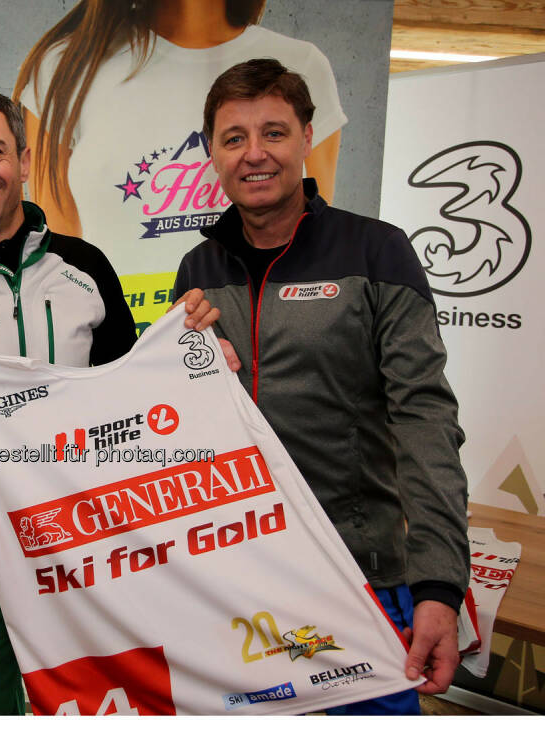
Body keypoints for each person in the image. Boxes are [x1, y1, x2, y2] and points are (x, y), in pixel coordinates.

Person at [0, 85, 227, 715]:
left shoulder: (86, 266)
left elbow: (130, 399)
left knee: (94, 712)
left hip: (87, 543)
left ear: (22, 157)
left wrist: (191, 360)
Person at [174, 58, 469, 714]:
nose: (255, 154)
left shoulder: (376, 253)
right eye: (233, 138)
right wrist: (191, 371)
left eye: (274, 133)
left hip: (359, 581)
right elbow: (183, 426)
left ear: (308, 137)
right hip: (237, 588)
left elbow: (426, 422)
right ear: (212, 153)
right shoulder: (198, 266)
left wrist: (439, 586)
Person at [14, 0, 345, 312]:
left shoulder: (301, 65)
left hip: (257, 345)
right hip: (122, 352)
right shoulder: (66, 68)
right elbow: (61, 259)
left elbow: (312, 239)